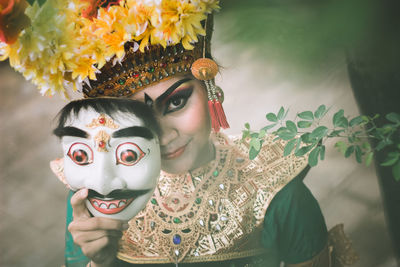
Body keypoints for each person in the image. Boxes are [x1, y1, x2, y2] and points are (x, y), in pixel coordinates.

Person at [0, 1, 358, 266]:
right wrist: (101, 261)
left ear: (209, 84)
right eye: (133, 120)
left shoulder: (279, 192)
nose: (162, 136)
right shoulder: (97, 197)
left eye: (176, 102)